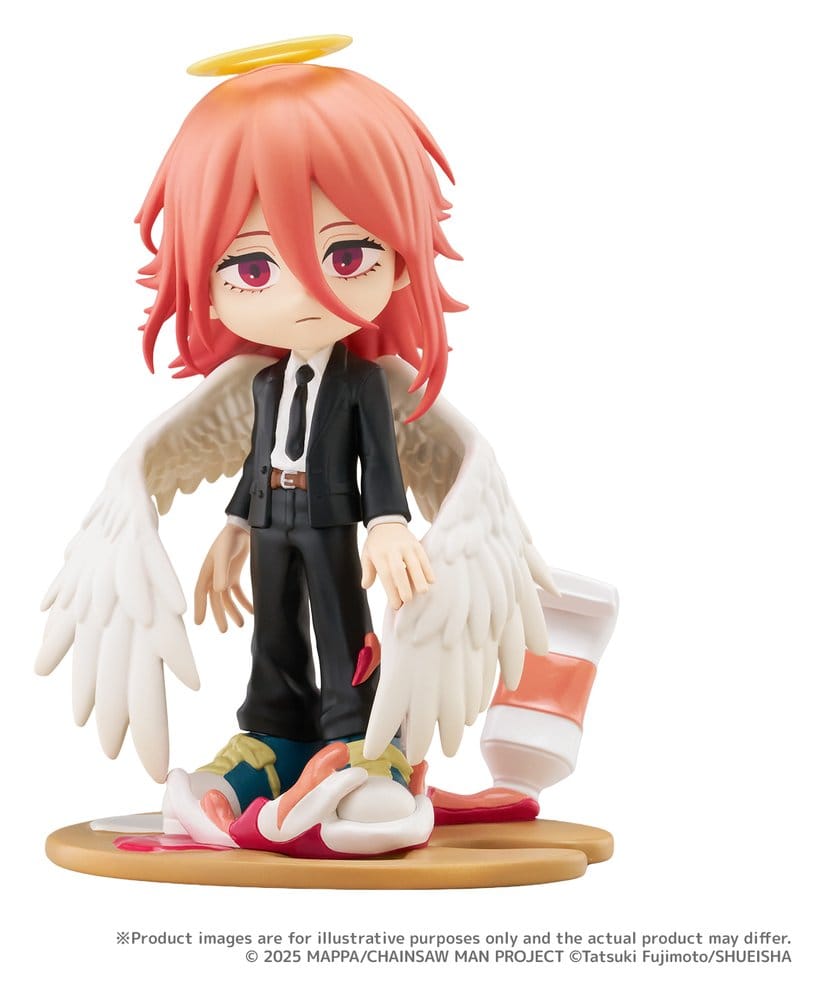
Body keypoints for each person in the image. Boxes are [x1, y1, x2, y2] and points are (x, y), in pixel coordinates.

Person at [136, 58, 465, 848]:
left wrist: (387, 522)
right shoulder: (263, 384)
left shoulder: (361, 383)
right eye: (254, 267)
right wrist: (234, 528)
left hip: (331, 521)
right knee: (273, 631)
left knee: (343, 627)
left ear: (398, 255)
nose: (303, 292)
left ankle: (366, 745)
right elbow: (258, 456)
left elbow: (379, 456)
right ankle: (275, 738)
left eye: (346, 256)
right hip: (271, 519)